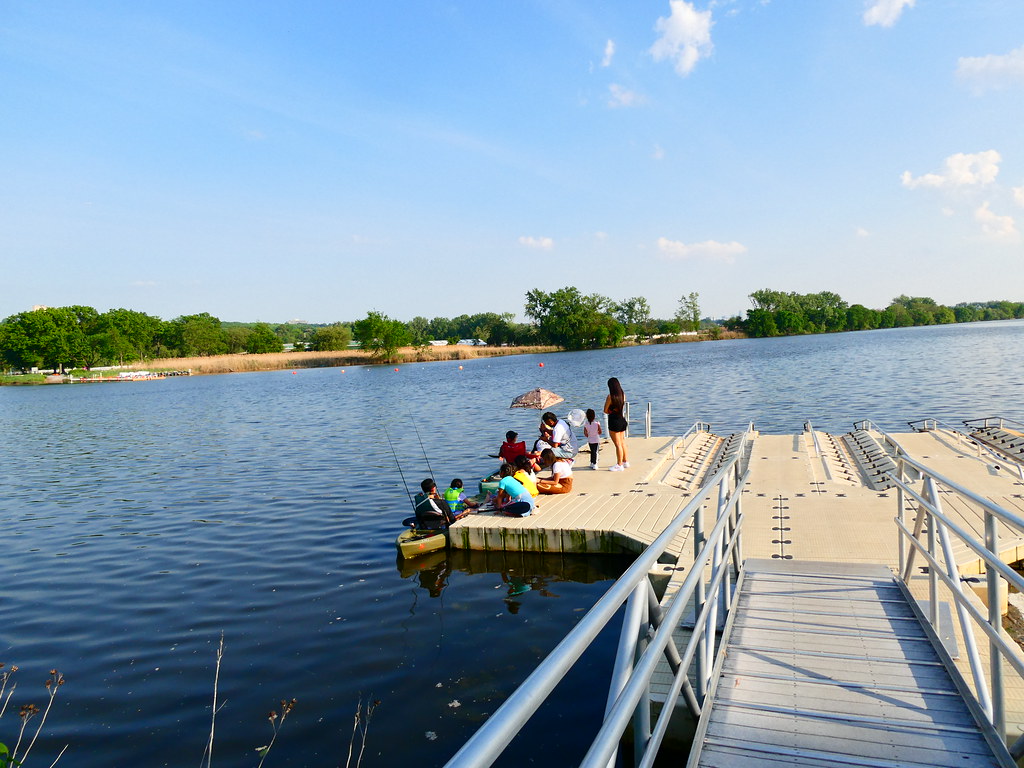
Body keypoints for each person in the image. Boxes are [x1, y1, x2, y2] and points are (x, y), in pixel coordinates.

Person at [604, 377, 629, 471]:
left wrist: (611, 410)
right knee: (622, 442)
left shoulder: (610, 397)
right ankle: (625, 461)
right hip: (622, 420)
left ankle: (619, 464)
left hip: (614, 421)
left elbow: (605, 410)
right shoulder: (623, 395)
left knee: (617, 444)